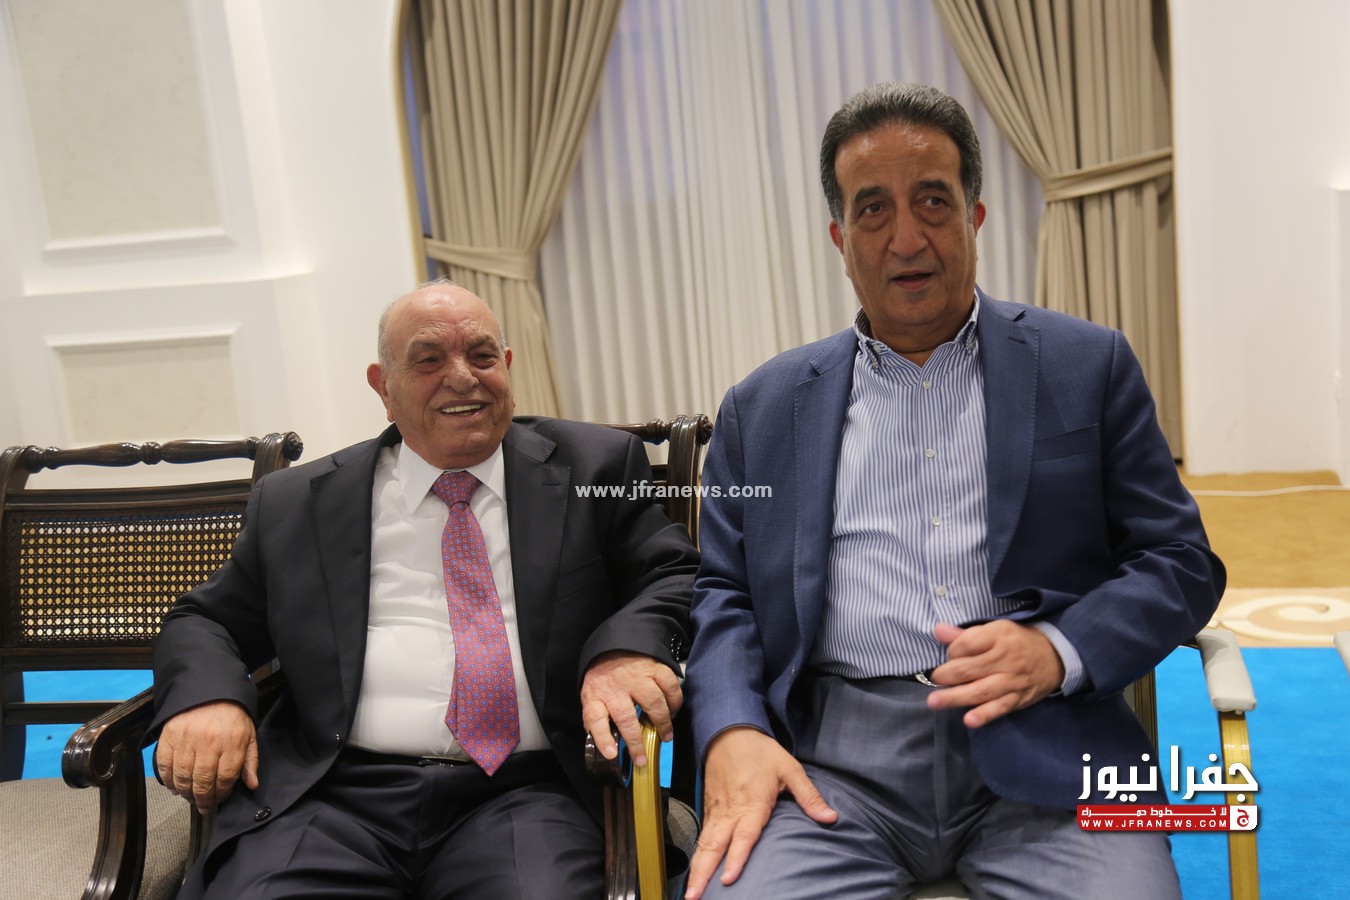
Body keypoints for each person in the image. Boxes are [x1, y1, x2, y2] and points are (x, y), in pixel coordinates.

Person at [683, 82, 1224, 900]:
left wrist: (1057, 651)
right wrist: (731, 728)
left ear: (975, 215)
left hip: (1046, 741)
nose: (907, 238)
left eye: (932, 201)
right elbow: (722, 592)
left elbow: (1180, 560)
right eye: (873, 210)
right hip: (830, 763)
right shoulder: (762, 409)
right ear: (840, 239)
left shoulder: (1087, 366)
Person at [149, 280, 699, 898]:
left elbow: (671, 573)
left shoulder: (595, 466)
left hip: (530, 793)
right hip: (332, 795)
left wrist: (625, 650)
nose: (462, 378)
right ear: (383, 387)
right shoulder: (300, 501)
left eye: (482, 356)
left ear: (507, 366)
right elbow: (207, 620)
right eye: (428, 360)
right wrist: (210, 699)